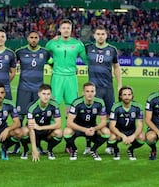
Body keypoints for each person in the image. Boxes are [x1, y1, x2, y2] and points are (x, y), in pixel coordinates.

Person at [45, 18, 88, 154]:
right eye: (63, 28)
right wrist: (52, 63)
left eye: (68, 28)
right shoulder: (52, 43)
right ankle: (49, 140)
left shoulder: (77, 44)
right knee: (53, 109)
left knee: (71, 112)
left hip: (71, 79)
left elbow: (87, 59)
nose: (66, 30)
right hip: (57, 78)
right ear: (59, 29)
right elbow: (43, 54)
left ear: (71, 29)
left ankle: (69, 143)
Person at [10, 31, 53, 155]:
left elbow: (53, 64)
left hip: (38, 91)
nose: (33, 40)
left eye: (36, 37)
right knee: (20, 117)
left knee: (37, 119)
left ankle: (38, 145)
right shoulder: (20, 52)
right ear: (27, 38)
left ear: (39, 39)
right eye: (31, 37)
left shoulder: (45, 53)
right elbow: (11, 65)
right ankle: (17, 146)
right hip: (23, 89)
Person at [85, 25, 122, 155]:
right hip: (93, 89)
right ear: (94, 35)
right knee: (90, 117)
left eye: (103, 34)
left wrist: (119, 85)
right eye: (98, 34)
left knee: (110, 117)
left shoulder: (112, 50)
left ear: (106, 35)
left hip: (108, 88)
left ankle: (110, 144)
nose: (100, 36)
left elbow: (116, 67)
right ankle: (88, 146)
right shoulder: (88, 48)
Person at [63, 82, 110, 161]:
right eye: (87, 91)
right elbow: (69, 122)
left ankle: (93, 150)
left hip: (92, 127)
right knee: (66, 132)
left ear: (95, 92)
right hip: (78, 127)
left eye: (92, 91)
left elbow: (103, 122)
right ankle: (74, 150)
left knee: (106, 132)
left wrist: (94, 129)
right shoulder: (77, 102)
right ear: (83, 92)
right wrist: (85, 130)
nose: (90, 94)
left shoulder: (100, 102)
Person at [20, 84, 62, 161]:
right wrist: (34, 149)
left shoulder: (54, 105)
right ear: (39, 94)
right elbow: (31, 128)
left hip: (46, 131)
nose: (46, 96)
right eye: (44, 94)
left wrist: (40, 127)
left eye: (48, 94)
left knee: (59, 133)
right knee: (23, 131)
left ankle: (49, 150)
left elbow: (58, 124)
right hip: (33, 131)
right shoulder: (32, 107)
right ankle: (26, 150)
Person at [108, 86, 145, 160]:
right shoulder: (115, 107)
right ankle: (116, 150)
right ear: (120, 96)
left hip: (132, 131)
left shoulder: (138, 107)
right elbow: (112, 126)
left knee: (142, 137)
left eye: (129, 95)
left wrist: (133, 136)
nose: (127, 97)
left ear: (132, 96)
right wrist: (123, 136)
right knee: (112, 137)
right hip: (119, 131)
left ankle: (131, 149)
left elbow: (140, 125)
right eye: (124, 95)